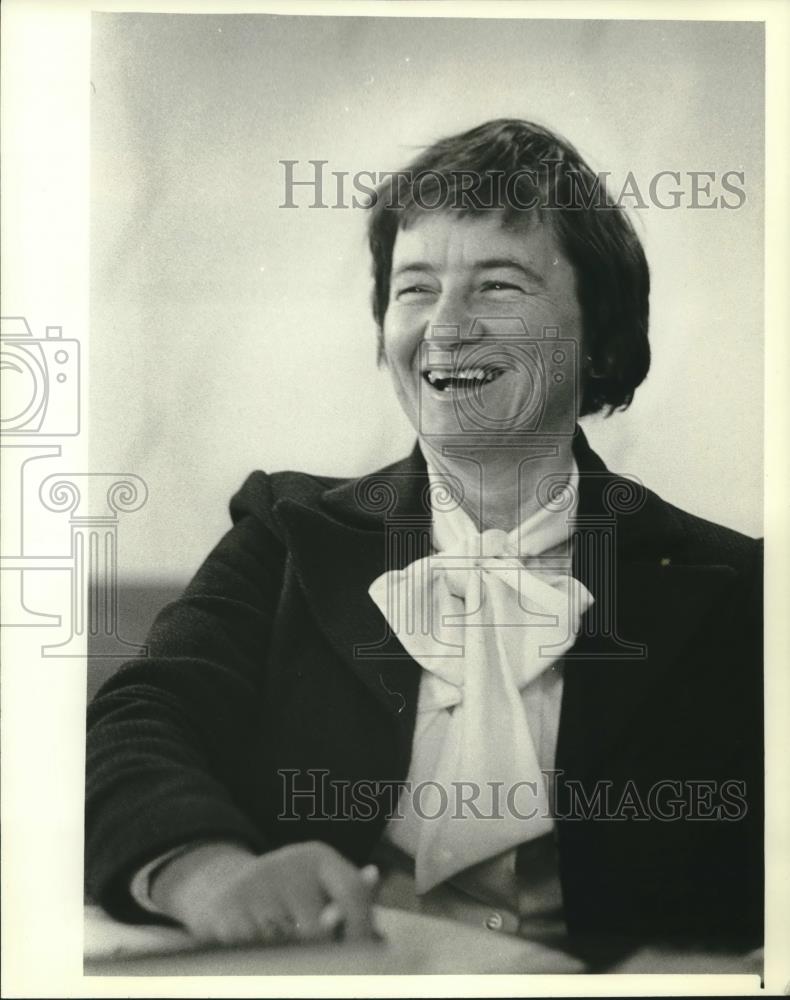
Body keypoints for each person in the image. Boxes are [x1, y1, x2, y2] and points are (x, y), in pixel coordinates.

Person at [85, 119, 762, 968]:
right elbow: (138, 722)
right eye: (415, 289)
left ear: (601, 339)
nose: (445, 327)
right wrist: (205, 872)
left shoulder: (735, 588)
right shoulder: (286, 534)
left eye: (499, 286)